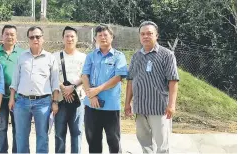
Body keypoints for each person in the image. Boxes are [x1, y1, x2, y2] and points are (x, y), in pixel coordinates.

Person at [125, 21, 179, 154]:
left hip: (159, 108)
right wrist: (127, 103)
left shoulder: (167, 55)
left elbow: (173, 80)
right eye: (142, 34)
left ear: (157, 35)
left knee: (162, 146)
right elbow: (131, 80)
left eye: (149, 33)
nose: (145, 36)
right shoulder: (136, 56)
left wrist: (171, 105)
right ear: (139, 36)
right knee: (145, 143)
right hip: (140, 107)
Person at [9, 26, 60, 153]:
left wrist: (55, 102)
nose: (35, 39)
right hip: (21, 102)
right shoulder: (21, 57)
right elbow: (15, 80)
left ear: (42, 38)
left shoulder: (50, 58)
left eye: (38, 36)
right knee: (21, 136)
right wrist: (11, 98)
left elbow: (55, 82)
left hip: (43, 102)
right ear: (28, 39)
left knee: (42, 136)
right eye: (32, 37)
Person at [81, 24, 128, 153]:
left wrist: (98, 89)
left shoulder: (119, 56)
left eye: (105, 35)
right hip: (92, 105)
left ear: (112, 37)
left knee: (113, 140)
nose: (103, 37)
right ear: (95, 38)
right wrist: (92, 95)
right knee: (93, 140)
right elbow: (84, 75)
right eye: (99, 35)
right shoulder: (91, 56)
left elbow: (118, 77)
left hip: (110, 106)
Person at [53, 26, 86, 153]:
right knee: (59, 133)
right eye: (67, 36)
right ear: (62, 38)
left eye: (72, 36)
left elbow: (85, 76)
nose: (69, 39)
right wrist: (63, 88)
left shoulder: (83, 57)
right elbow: (53, 76)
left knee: (77, 132)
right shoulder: (55, 56)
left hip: (78, 99)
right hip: (61, 100)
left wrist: (72, 87)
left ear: (77, 38)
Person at [0, 25, 24, 153]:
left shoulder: (23, 54)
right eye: (6, 34)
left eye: (12, 34)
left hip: (18, 98)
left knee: (18, 128)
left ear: (16, 37)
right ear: (2, 36)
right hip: (0, 98)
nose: (9, 36)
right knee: (1, 128)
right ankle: (2, 151)